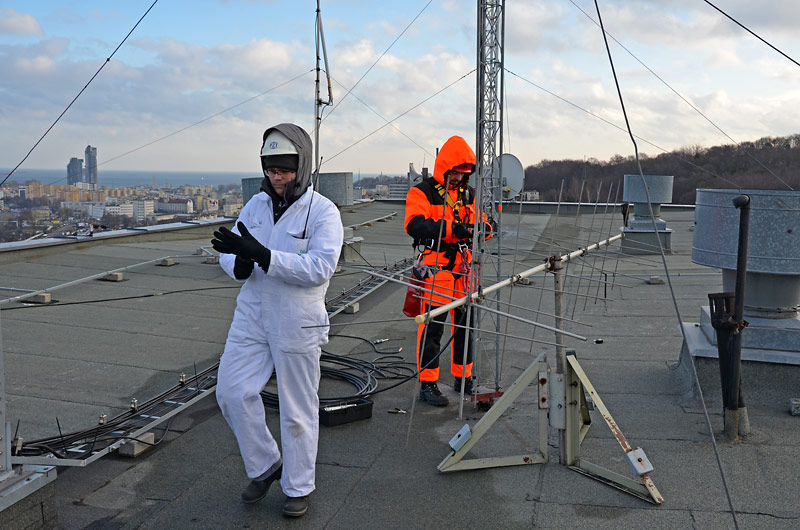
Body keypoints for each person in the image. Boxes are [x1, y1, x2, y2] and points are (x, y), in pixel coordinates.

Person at [212, 123, 343, 517]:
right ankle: (266, 465)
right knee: (232, 392)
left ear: (301, 167)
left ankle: (298, 486)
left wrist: (265, 256)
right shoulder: (255, 206)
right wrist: (237, 262)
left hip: (297, 317)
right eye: (271, 170)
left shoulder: (323, 211)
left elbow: (320, 267)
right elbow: (230, 250)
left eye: (284, 170)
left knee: (297, 408)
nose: (277, 177)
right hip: (252, 313)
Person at [404, 135, 493, 406]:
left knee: (465, 325)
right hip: (438, 267)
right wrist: (452, 228)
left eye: (463, 173)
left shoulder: (469, 195)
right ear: (445, 168)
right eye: (455, 172)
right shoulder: (422, 192)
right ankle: (428, 383)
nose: (458, 178)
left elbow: (485, 223)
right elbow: (414, 225)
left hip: (464, 268)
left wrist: (484, 229)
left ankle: (463, 377)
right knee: (433, 327)